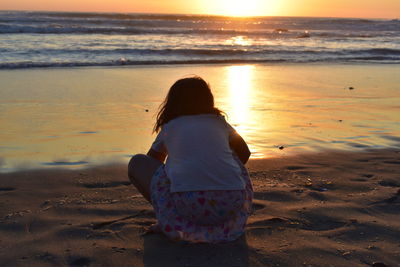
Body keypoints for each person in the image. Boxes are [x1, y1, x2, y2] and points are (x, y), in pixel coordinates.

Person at [128, 76, 253, 243]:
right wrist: (215, 169)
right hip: (231, 204)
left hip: (188, 206)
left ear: (172, 103)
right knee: (233, 156)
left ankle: (168, 217)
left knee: (138, 162)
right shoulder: (219, 123)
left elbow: (153, 162)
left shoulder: (171, 126)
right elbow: (244, 153)